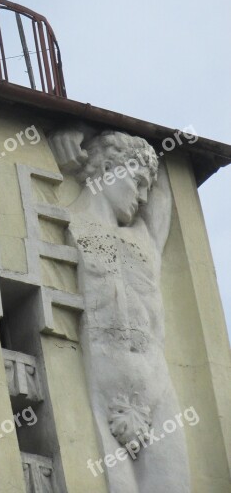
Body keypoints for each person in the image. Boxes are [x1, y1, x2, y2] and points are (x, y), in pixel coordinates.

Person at [50, 127, 190, 493]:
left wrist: (82, 127)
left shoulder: (144, 238)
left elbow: (165, 186)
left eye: (147, 185)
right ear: (107, 169)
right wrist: (70, 136)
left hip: (156, 388)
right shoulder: (64, 222)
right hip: (100, 382)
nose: (143, 196)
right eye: (137, 181)